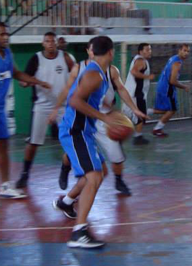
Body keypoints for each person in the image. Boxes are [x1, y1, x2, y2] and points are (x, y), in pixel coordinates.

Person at [53, 36, 131, 248]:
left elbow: (90, 98)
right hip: (75, 131)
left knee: (99, 173)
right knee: (94, 177)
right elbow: (74, 100)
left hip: (84, 131)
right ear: (111, 52)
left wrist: (110, 111)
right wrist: (105, 117)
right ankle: (79, 233)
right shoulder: (94, 74)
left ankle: (66, 202)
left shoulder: (100, 73)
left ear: (92, 51)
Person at [0, 21, 51, 208]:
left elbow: (16, 73)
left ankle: (5, 186)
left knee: (3, 144)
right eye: (1, 34)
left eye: (7, 34)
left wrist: (37, 81)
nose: (5, 37)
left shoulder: (7, 54)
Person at [51, 38, 147, 195]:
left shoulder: (111, 70)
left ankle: (119, 180)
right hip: (82, 117)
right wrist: (56, 108)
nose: (92, 52)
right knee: (75, 152)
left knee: (116, 153)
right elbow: (68, 90)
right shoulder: (79, 68)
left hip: (105, 119)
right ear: (89, 51)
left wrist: (134, 109)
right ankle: (65, 168)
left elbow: (122, 89)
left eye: (93, 49)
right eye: (89, 49)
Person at [14, 32, 74, 189]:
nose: (50, 44)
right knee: (33, 143)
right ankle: (25, 174)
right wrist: (25, 83)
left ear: (56, 43)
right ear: (43, 43)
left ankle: (65, 169)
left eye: (53, 41)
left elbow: (76, 76)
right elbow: (24, 79)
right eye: (47, 41)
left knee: (71, 142)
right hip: (42, 105)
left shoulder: (66, 57)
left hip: (63, 107)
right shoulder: (36, 58)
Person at [152, 44, 190, 138]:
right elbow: (172, 81)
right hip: (167, 88)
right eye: (184, 50)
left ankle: (145, 111)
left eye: (188, 51)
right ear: (179, 50)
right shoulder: (177, 63)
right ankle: (157, 129)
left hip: (162, 86)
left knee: (164, 109)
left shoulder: (173, 58)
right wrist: (184, 86)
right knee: (172, 110)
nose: (186, 53)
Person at [122, 43, 154, 145]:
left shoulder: (139, 60)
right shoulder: (140, 60)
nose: (150, 51)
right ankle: (138, 137)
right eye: (147, 50)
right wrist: (147, 77)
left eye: (150, 49)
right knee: (140, 116)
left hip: (134, 93)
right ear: (140, 51)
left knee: (131, 116)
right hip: (136, 94)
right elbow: (134, 72)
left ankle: (135, 136)